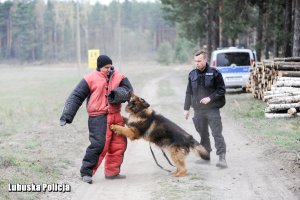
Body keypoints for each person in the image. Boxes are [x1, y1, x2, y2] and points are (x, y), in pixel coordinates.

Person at [59, 55, 133, 183]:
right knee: (98, 145)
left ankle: (112, 172)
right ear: (99, 67)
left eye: (111, 67)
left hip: (116, 115)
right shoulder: (89, 79)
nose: (109, 70)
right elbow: (76, 96)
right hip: (98, 117)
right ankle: (86, 173)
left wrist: (117, 94)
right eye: (106, 67)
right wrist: (67, 116)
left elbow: (129, 91)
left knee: (119, 145)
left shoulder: (120, 77)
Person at [183, 50, 227, 168]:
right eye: (195, 61)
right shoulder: (192, 74)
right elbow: (189, 93)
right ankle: (206, 156)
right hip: (198, 110)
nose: (197, 63)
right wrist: (186, 109)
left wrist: (210, 98)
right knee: (203, 133)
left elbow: (221, 90)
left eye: (199, 61)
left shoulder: (215, 73)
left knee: (216, 133)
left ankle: (222, 157)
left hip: (212, 109)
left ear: (205, 60)